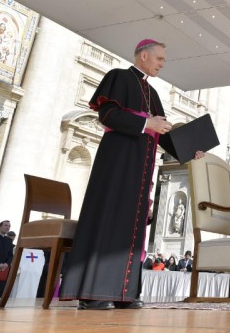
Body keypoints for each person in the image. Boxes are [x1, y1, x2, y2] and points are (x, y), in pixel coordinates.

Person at [60, 39, 203, 310]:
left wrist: (190, 151)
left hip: (140, 169)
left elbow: (164, 135)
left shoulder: (154, 94)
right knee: (110, 218)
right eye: (159, 58)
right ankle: (94, 292)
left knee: (132, 229)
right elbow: (108, 115)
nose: (162, 63)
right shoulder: (118, 77)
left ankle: (123, 293)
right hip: (117, 161)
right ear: (144, 56)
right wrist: (146, 122)